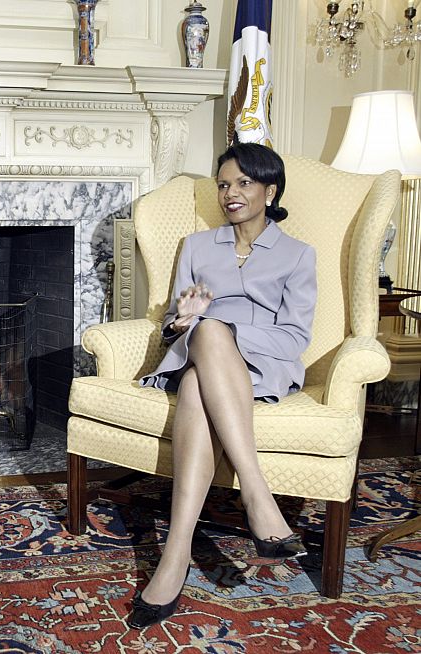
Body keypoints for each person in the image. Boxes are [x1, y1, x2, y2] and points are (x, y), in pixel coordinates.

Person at [133, 143, 317, 629]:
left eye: (242, 183)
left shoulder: (298, 255)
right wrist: (183, 321)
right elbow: (174, 323)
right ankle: (258, 496)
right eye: (222, 184)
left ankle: (174, 558)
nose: (229, 194)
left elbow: (297, 336)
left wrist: (227, 331)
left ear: (269, 189)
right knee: (205, 335)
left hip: (260, 365)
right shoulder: (196, 246)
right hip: (194, 349)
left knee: (200, 375)